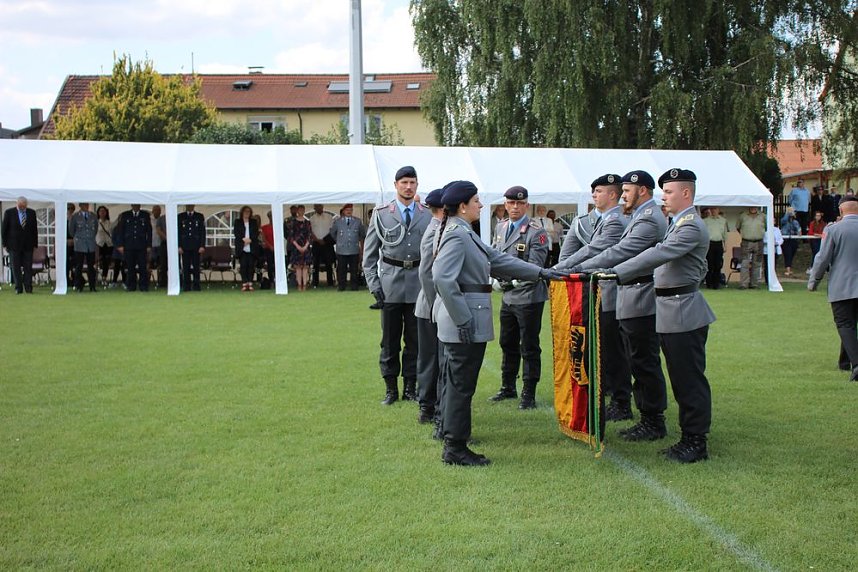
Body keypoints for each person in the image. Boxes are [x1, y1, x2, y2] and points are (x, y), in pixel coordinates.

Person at [432, 180, 565, 466]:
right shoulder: (457, 234)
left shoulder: (463, 231)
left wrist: (540, 273)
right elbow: (443, 278)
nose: (481, 205)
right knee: (460, 384)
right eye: (477, 200)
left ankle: (452, 437)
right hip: (464, 317)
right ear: (464, 206)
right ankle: (455, 447)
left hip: (464, 314)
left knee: (457, 382)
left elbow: (498, 260)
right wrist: (463, 318)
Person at [608, 168, 716, 463]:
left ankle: (695, 441)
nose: (663, 197)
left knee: (688, 380)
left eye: (668, 192)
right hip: (671, 311)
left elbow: (659, 254)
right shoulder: (677, 223)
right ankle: (687, 437)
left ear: (685, 193)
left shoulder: (690, 225)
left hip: (683, 310)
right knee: (680, 377)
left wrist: (616, 271)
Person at [560, 170, 670, 439]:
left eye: (627, 191)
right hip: (630, 294)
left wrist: (578, 270)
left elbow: (617, 252)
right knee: (632, 357)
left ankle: (652, 420)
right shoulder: (636, 216)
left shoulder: (646, 219)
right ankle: (642, 414)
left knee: (643, 361)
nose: (623, 195)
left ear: (642, 191)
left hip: (641, 296)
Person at [555, 174, 632, 420]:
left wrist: (563, 269)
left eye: (599, 191)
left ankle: (621, 402)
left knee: (614, 350)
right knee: (600, 349)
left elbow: (596, 250)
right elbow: (576, 251)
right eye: (594, 191)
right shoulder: (592, 221)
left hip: (611, 294)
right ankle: (610, 394)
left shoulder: (616, 221)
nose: (594, 195)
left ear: (613, 194)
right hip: (594, 293)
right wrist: (563, 267)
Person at [363, 166, 431, 405]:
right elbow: (369, 255)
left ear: (417, 185)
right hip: (390, 285)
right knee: (389, 341)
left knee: (415, 342)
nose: (408, 187)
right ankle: (391, 389)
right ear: (395, 185)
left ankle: (410, 387)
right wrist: (374, 286)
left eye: (412, 182)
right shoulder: (381, 214)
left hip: (419, 288)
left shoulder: (427, 214)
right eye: (404, 182)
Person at [490, 186, 552, 409]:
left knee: (529, 345)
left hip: (528, 296)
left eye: (519, 203)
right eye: (510, 203)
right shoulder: (501, 227)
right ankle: (508, 387)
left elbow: (535, 267)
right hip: (508, 297)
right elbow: (496, 257)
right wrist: (496, 278)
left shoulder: (536, 231)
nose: (515, 207)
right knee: (507, 342)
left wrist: (511, 281)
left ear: (526, 205)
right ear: (505, 205)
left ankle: (529, 392)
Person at [808, 196, 858, 381]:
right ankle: (844, 362)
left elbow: (822, 258)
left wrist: (814, 281)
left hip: (842, 286)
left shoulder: (834, 230)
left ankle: (857, 364)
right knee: (851, 325)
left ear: (841, 211)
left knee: (845, 324)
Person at [414, 189, 445, 427]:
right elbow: (425, 273)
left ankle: (432, 404)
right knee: (430, 358)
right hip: (430, 307)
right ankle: (427, 406)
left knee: (435, 358)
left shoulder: (440, 228)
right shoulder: (435, 230)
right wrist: (436, 305)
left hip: (433, 306)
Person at [1, 196, 38, 294]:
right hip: (14, 245)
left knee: (28, 267)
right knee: (15, 267)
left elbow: (34, 229)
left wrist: (35, 243)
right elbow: (4, 230)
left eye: (24, 206)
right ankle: (18, 287)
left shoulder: (31, 213)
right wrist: (4, 243)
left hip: (28, 245)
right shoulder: (9, 213)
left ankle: (28, 287)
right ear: (17, 204)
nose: (22, 208)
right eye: (21, 206)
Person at [115, 204, 152, 292]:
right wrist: (120, 245)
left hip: (141, 245)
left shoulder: (145, 215)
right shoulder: (125, 215)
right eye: (134, 205)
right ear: (131, 205)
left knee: (142, 267)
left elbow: (149, 231)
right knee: (130, 267)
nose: (136, 206)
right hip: (129, 245)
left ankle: (143, 286)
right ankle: (131, 286)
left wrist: (149, 245)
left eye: (137, 205)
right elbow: (121, 231)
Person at [329, 204, 365, 291]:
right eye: (347, 210)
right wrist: (339, 241)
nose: (349, 211)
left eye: (350, 210)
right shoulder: (338, 222)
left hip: (354, 249)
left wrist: (361, 248)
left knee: (354, 269)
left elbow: (362, 234)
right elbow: (333, 233)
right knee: (341, 269)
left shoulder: (357, 221)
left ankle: (354, 286)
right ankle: (341, 286)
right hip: (341, 250)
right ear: (343, 211)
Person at [69, 202, 98, 292]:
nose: (86, 206)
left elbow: (95, 229)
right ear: (80, 206)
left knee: (91, 266)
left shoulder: (93, 216)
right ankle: (78, 286)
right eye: (84, 205)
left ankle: (92, 286)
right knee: (79, 266)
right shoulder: (75, 216)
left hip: (90, 243)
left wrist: (90, 237)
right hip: (79, 244)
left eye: (87, 205)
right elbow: (71, 230)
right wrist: (78, 238)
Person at [735, 207, 766, 289]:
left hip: (759, 242)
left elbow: (766, 228)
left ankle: (754, 284)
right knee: (744, 263)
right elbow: (738, 227)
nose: (753, 208)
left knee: (757, 264)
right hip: (746, 242)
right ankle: (743, 284)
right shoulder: (743, 216)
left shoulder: (763, 216)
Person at [178, 204, 206, 291]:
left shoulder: (199, 216)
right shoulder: (180, 216)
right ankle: (186, 286)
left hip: (196, 246)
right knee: (185, 267)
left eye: (191, 205)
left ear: (194, 206)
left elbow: (202, 232)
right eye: (188, 205)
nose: (189, 207)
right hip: (185, 246)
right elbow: (178, 232)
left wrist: (202, 245)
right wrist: (179, 246)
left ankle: (196, 286)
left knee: (196, 267)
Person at [309, 204, 335, 288]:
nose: (318, 208)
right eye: (317, 207)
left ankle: (330, 282)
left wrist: (325, 240)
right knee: (315, 263)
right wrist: (317, 240)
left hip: (327, 243)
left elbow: (332, 230)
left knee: (329, 263)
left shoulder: (329, 217)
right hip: (316, 243)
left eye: (320, 207)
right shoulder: (312, 218)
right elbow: (311, 231)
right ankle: (315, 283)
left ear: (323, 207)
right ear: (314, 208)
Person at [234, 205, 259, 292]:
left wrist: (250, 239)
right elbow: (236, 233)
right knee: (243, 266)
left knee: (251, 266)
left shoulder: (253, 222)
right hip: (242, 247)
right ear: (242, 212)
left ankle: (250, 283)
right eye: (245, 211)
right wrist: (243, 240)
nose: (247, 213)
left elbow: (256, 232)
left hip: (251, 246)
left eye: (248, 211)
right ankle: (244, 283)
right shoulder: (237, 222)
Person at [703, 207, 729, 289]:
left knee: (718, 265)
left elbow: (725, 234)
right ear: (710, 210)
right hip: (709, 243)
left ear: (718, 210)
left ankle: (716, 284)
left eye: (715, 209)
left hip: (718, 243)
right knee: (709, 265)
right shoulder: (705, 221)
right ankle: (709, 283)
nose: (714, 211)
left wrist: (725, 245)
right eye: (712, 209)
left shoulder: (723, 221)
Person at [289, 205, 312, 291]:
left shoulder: (307, 222)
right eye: (300, 210)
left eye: (303, 210)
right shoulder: (293, 222)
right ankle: (299, 284)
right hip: (296, 247)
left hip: (306, 246)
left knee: (305, 266)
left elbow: (310, 235)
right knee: (298, 267)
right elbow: (291, 236)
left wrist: (305, 246)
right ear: (297, 211)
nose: (301, 211)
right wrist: (298, 246)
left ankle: (305, 284)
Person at [95, 206, 118, 286]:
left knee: (106, 260)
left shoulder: (110, 223)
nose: (102, 213)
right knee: (97, 260)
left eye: (104, 211)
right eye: (100, 211)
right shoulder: (96, 223)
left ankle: (104, 277)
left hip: (108, 244)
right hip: (99, 244)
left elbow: (113, 232)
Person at [780, 208, 801, 277]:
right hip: (785, 240)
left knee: (792, 253)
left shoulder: (795, 222)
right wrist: (787, 213)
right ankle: (788, 270)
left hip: (793, 240)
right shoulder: (783, 221)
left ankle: (788, 267)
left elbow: (798, 229)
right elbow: (783, 220)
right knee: (788, 254)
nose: (791, 213)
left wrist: (799, 233)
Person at [152, 205, 167, 288]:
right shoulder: (161, 219)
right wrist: (167, 238)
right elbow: (158, 230)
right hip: (163, 243)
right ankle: (163, 282)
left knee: (175, 264)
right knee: (163, 264)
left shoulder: (175, 218)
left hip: (174, 244)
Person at [260, 211, 276, 287]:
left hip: (277, 249)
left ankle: (277, 279)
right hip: (268, 249)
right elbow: (264, 239)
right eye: (270, 216)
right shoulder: (264, 227)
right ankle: (271, 280)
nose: (271, 218)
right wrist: (270, 246)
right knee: (270, 265)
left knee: (276, 265)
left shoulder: (278, 226)